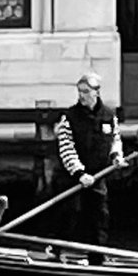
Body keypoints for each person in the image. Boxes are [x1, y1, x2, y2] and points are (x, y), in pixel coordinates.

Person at [52, 73, 123, 254]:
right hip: (71, 177)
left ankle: (97, 257)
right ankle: (56, 251)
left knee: (99, 217)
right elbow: (66, 149)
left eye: (85, 91)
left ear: (96, 93)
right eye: (80, 91)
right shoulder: (69, 118)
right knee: (68, 215)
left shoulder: (108, 116)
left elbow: (115, 139)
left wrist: (116, 156)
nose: (81, 95)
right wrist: (79, 173)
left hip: (97, 176)